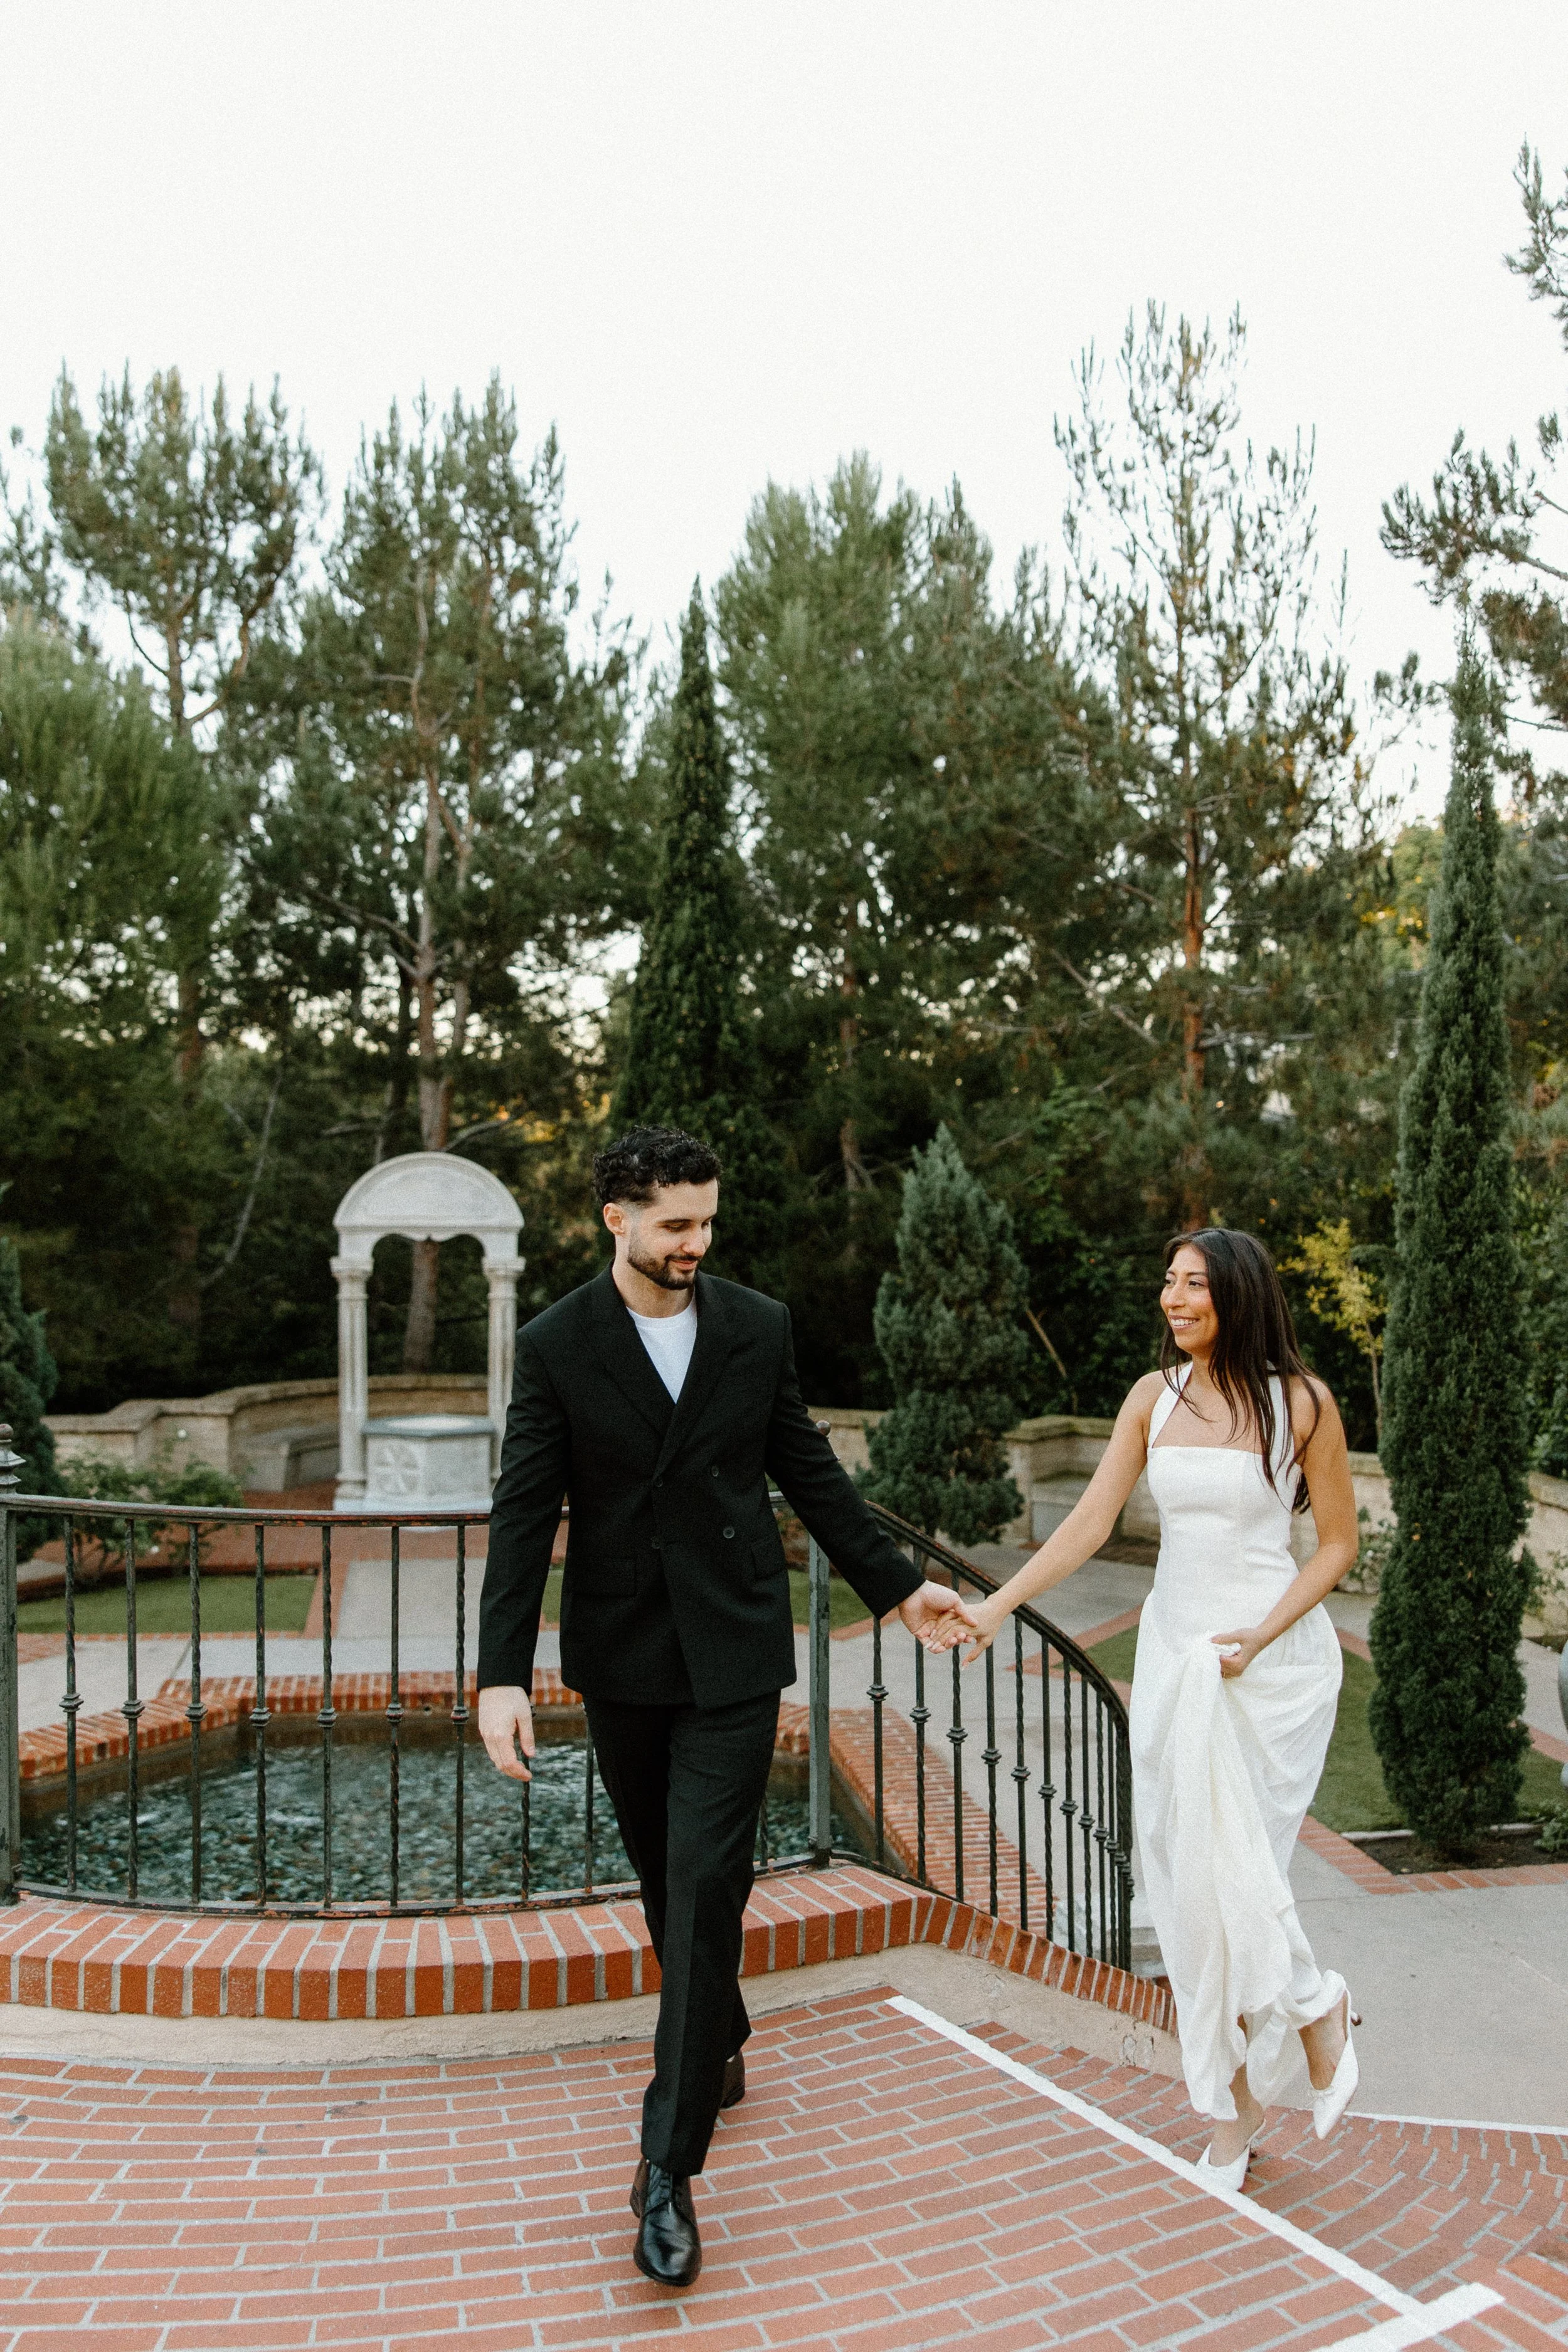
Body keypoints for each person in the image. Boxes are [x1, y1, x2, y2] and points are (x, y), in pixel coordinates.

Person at [475, 1125, 975, 2286]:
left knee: (707, 1886)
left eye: (708, 1221)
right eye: (675, 1224)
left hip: (737, 1655)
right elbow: (521, 1511)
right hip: (625, 1659)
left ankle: (666, 2167)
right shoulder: (556, 1344)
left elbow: (809, 1470)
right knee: (666, 1878)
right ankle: (723, 2032)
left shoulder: (757, 1325)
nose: (697, 1242)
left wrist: (899, 1588)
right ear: (617, 1218)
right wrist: (503, 1671)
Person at [935, 1228, 1360, 2188]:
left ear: (1240, 1294)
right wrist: (996, 1604)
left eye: (1194, 1284)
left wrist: (1260, 1631)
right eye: (1167, 1282)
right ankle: (1244, 2096)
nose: (1173, 1299)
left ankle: (1303, 2024)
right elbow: (1090, 1521)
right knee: (1186, 1891)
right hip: (1177, 1657)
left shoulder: (1304, 1402)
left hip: (1270, 1665)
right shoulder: (1150, 1398)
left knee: (1236, 1877)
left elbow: (1337, 1545)